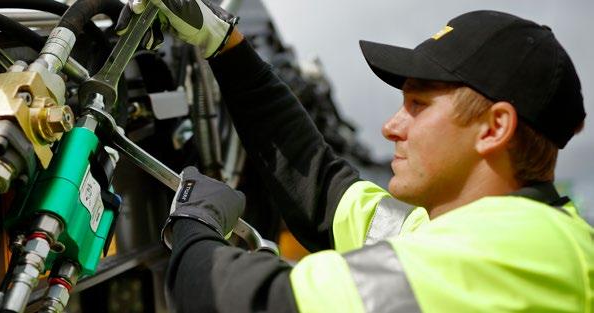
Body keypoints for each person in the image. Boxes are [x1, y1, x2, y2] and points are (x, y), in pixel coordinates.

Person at [117, 1, 592, 312]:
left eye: (418, 106)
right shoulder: (449, 227)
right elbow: (324, 192)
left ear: (494, 128)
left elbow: (254, 303)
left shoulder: (516, 253)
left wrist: (193, 225)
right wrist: (226, 45)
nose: (391, 126)